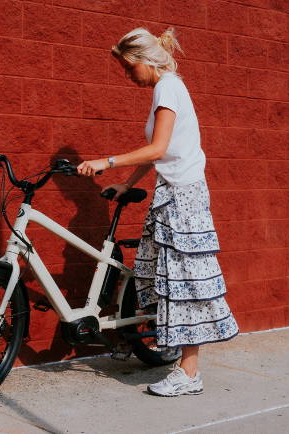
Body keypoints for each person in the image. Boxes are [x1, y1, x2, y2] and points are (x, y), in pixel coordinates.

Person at [76, 27, 239, 397]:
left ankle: (189, 372)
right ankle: (170, 345)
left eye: (128, 69)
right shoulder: (166, 88)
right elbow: (159, 150)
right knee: (163, 277)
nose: (127, 76)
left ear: (143, 62)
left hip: (183, 197)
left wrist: (107, 162)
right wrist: (127, 182)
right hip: (173, 193)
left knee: (184, 283)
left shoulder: (167, 87)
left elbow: (157, 148)